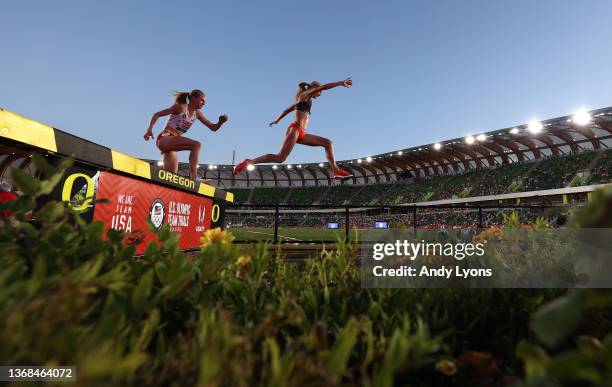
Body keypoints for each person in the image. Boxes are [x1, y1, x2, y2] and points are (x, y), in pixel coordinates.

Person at [233, 78, 354, 178]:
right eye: (319, 93)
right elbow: (323, 87)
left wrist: (277, 120)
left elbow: (287, 110)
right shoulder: (305, 94)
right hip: (295, 129)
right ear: (315, 88)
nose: (319, 95)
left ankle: (335, 170)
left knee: (328, 143)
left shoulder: (304, 99)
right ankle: (249, 161)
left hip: (301, 132)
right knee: (280, 158)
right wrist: (340, 83)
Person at [144, 89, 228, 181]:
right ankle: (194, 177)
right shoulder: (180, 108)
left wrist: (220, 122)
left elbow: (213, 127)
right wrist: (149, 130)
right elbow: (157, 114)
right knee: (196, 145)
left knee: (171, 178)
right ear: (193, 98)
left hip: (172, 145)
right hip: (165, 137)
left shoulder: (198, 114)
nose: (203, 103)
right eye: (202, 100)